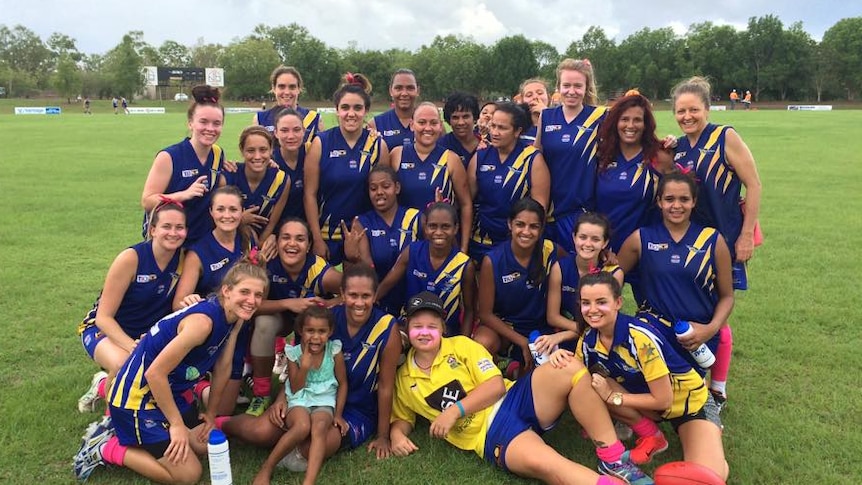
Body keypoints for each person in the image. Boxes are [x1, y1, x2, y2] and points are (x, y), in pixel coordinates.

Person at [391, 291, 653, 485]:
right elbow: (403, 417)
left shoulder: (461, 345)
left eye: (431, 326)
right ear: (406, 329)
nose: (424, 333)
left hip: (514, 397)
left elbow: (495, 386)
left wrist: (454, 411)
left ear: (442, 328)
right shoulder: (404, 378)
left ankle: (613, 458)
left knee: (571, 368)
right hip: (490, 434)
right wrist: (397, 435)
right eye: (417, 327)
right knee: (548, 464)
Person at [73, 259, 269, 484]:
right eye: (245, 292)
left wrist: (212, 415)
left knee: (205, 445)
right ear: (226, 290)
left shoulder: (234, 318)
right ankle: (106, 447)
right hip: (137, 399)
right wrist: (176, 425)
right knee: (188, 475)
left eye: (258, 295)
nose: (251, 301)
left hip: (169, 392)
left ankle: (148, 432)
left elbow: (223, 368)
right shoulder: (202, 323)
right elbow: (154, 373)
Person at [550, 272, 727, 480]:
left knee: (707, 475)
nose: (593, 310)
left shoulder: (639, 337)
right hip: (651, 408)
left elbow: (664, 399)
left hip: (689, 405)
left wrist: (613, 397)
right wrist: (560, 356)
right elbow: (578, 382)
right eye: (586, 303)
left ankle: (708, 433)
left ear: (618, 302)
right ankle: (652, 436)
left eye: (601, 302)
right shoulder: (588, 340)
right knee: (593, 381)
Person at [222, 264, 402, 467]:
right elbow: (300, 361)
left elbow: (386, 386)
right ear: (342, 293)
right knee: (261, 432)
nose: (359, 302)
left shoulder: (387, 326)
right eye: (352, 295)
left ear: (375, 294)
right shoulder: (328, 317)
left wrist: (383, 436)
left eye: (366, 296)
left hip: (355, 410)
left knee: (315, 446)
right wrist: (282, 398)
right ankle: (220, 426)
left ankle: (289, 447)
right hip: (308, 395)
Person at [671, 76, 762, 405]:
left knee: (715, 313)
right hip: (694, 246)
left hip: (727, 241)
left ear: (707, 109)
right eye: (681, 111)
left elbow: (754, 184)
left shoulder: (725, 136)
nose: (687, 116)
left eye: (693, 109)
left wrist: (747, 235)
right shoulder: (679, 146)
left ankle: (718, 386)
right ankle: (698, 380)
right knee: (699, 309)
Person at [617, 173, 734, 391]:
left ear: (694, 201)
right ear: (659, 201)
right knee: (650, 395)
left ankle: (709, 393)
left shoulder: (712, 240)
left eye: (684, 199)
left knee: (685, 398)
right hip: (653, 332)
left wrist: (710, 329)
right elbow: (613, 279)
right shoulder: (641, 238)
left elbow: (727, 296)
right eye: (669, 199)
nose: (676, 206)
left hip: (695, 336)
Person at [76, 201, 187, 414]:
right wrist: (133, 348)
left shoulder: (184, 259)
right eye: (166, 226)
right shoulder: (131, 258)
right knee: (124, 366)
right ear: (153, 230)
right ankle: (109, 426)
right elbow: (103, 317)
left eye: (179, 227)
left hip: (144, 335)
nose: (173, 233)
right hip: (102, 330)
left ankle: (101, 383)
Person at [246, 217, 342, 416]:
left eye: (299, 239)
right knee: (263, 323)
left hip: (310, 323)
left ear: (308, 246)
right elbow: (252, 305)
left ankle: (320, 387)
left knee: (318, 324)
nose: (292, 244)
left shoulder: (321, 271)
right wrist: (289, 303)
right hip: (281, 317)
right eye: (286, 238)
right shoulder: (268, 263)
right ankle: (261, 394)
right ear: (277, 242)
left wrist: (326, 305)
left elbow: (352, 292)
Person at [171, 186, 253, 415]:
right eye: (221, 209)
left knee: (224, 412)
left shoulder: (247, 241)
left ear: (241, 211)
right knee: (215, 410)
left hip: (238, 329)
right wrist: (192, 302)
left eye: (233, 209)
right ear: (211, 213)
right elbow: (178, 302)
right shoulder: (198, 252)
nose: (227, 215)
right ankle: (197, 384)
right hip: (211, 333)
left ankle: (205, 388)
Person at [251, 306, 348, 485]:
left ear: (330, 332)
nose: (316, 337)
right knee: (302, 426)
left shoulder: (334, 351)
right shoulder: (294, 354)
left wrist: (338, 414)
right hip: (300, 397)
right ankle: (267, 467)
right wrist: (304, 366)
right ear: (301, 331)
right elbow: (295, 387)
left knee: (319, 427)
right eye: (310, 331)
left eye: (322, 331)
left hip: (324, 399)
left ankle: (308, 481)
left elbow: (342, 383)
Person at [304, 72, 388, 265]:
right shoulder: (321, 143)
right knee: (323, 292)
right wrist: (316, 238)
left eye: (358, 108)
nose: (351, 113)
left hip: (363, 234)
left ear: (366, 111)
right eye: (345, 107)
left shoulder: (377, 145)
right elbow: (309, 194)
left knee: (360, 291)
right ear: (336, 110)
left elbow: (385, 196)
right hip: (326, 233)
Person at [473, 198, 557, 374]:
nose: (526, 231)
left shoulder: (549, 250)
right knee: (482, 344)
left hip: (540, 330)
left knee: (540, 378)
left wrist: (604, 256)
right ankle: (498, 367)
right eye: (520, 224)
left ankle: (514, 368)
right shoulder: (493, 260)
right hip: (506, 329)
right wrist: (521, 341)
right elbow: (485, 314)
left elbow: (577, 263)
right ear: (510, 224)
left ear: (541, 229)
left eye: (533, 226)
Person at [535, 58, 606, 254]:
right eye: (566, 85)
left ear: (586, 87)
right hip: (548, 212)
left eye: (578, 86)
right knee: (547, 273)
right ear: (558, 87)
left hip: (580, 212)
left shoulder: (599, 117)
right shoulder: (547, 116)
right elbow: (535, 157)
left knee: (576, 275)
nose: (571, 91)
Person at [141, 85, 226, 246]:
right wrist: (183, 195)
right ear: (190, 123)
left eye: (217, 123)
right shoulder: (169, 157)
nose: (210, 128)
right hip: (170, 243)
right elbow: (147, 201)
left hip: (202, 243)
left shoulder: (217, 154)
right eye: (203, 122)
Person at [376, 202, 475, 336]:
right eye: (432, 226)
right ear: (425, 227)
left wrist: (464, 342)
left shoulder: (464, 264)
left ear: (456, 228)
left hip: (447, 333)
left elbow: (469, 310)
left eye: (445, 226)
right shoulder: (412, 251)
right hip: (411, 327)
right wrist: (369, 300)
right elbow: (387, 284)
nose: (438, 232)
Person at [467, 102, 550, 263]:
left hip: (515, 243)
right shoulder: (480, 157)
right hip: (480, 241)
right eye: (493, 126)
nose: (495, 132)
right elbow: (466, 201)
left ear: (517, 131)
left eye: (502, 128)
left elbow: (540, 210)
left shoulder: (532, 159)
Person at [595, 92, 673, 256]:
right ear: (615, 122)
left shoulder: (660, 158)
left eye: (637, 120)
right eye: (624, 119)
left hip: (646, 252)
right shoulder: (601, 157)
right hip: (603, 250)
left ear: (646, 125)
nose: (630, 125)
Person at [390, 101, 473, 251]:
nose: (427, 128)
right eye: (422, 122)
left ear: (440, 126)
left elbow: (466, 205)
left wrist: (464, 248)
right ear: (412, 125)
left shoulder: (451, 159)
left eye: (433, 123)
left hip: (442, 242)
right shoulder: (397, 155)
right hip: (404, 240)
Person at [342, 165, 421, 316]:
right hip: (379, 303)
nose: (379, 192)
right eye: (373, 188)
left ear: (397, 188)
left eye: (386, 186)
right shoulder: (362, 222)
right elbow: (368, 268)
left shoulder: (415, 218)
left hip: (414, 299)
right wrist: (354, 257)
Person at [541, 212, 623, 353]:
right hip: (566, 333)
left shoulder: (614, 274)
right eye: (582, 237)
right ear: (574, 237)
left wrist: (564, 335)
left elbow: (606, 321)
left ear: (605, 242)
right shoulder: (560, 268)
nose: (588, 244)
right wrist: (575, 332)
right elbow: (553, 317)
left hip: (600, 338)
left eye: (595, 239)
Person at [220, 126, 289, 257]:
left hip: (262, 245)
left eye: (263, 150)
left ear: (271, 150)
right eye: (251, 150)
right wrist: (239, 220)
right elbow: (213, 220)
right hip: (228, 242)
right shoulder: (229, 176)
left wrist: (258, 250)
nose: (257, 156)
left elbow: (272, 223)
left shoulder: (281, 180)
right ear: (242, 151)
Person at [255, 66, 322, 150]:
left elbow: (323, 156)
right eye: (281, 87)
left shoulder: (314, 118)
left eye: (292, 87)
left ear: (299, 89)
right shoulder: (260, 119)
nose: (287, 92)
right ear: (274, 88)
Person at [271, 107, 310, 222]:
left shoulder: (312, 153)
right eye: (284, 130)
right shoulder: (269, 161)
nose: (291, 136)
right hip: (278, 231)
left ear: (304, 131)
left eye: (296, 130)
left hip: (308, 229)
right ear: (276, 133)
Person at [368, 69, 419, 149]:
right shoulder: (375, 124)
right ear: (391, 91)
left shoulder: (430, 123)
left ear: (418, 91)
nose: (404, 93)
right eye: (398, 88)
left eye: (410, 88)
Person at [440, 92, 481, 167]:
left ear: (474, 118)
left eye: (466, 117)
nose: (461, 122)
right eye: (455, 117)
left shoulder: (486, 146)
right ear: (449, 120)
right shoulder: (441, 146)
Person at [519, 78, 551, 143]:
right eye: (529, 95)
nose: (535, 97)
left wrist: (546, 113)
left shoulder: (560, 120)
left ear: (548, 97)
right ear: (522, 100)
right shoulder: (518, 127)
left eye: (540, 93)